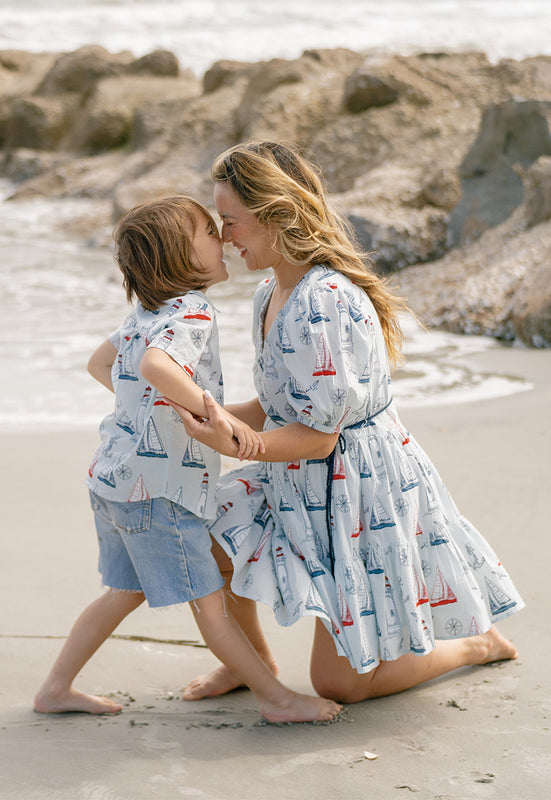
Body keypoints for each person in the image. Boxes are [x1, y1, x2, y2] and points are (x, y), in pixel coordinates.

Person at [171, 141, 524, 705]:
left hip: (355, 489)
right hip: (293, 472)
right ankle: (252, 662)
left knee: (339, 685)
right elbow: (280, 405)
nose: (223, 235)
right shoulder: (269, 292)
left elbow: (319, 436)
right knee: (204, 538)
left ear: (276, 215)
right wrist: (199, 413)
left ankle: (476, 645)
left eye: (230, 220)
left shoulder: (326, 301)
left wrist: (236, 443)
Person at [33, 194, 342, 723]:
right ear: (179, 256)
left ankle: (54, 689)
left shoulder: (145, 312)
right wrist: (212, 414)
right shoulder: (192, 311)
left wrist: (148, 410)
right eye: (208, 232)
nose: (222, 238)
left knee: (121, 593)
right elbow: (156, 366)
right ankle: (277, 698)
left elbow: (100, 364)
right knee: (211, 606)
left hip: (113, 480)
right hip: (160, 493)